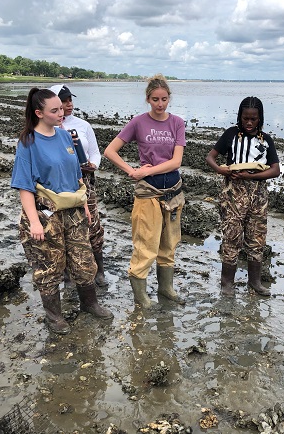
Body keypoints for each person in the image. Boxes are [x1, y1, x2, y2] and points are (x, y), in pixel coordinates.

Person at [11, 88, 113, 335]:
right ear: (39, 113)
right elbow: (24, 186)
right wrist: (34, 222)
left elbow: (77, 176)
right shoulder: (28, 143)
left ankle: (90, 303)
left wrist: (86, 207)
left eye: (61, 108)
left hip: (75, 212)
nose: (62, 113)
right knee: (50, 265)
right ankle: (54, 316)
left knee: (83, 258)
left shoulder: (65, 136)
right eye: (54, 110)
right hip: (47, 214)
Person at [103, 74, 186, 309]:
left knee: (169, 244)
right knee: (146, 245)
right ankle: (141, 297)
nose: (160, 104)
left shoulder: (177, 123)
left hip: (173, 190)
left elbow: (176, 161)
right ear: (147, 99)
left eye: (164, 99)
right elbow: (110, 151)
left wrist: (145, 171)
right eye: (155, 99)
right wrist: (132, 170)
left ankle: (166, 289)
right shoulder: (138, 122)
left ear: (169, 98)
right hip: (148, 192)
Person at [205, 96, 281, 297]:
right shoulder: (231, 134)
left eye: (253, 119)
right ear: (240, 117)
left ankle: (254, 281)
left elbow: (275, 170)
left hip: (258, 195)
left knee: (256, 237)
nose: (249, 122)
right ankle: (227, 282)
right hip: (233, 193)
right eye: (245, 118)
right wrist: (221, 170)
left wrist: (249, 176)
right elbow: (210, 157)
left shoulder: (266, 140)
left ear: (260, 118)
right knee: (232, 236)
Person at [49, 84, 108, 288]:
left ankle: (99, 270)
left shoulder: (82, 125)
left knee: (92, 225)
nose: (69, 104)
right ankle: (68, 276)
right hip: (59, 185)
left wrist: (94, 165)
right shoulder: (48, 128)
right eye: (64, 101)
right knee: (63, 227)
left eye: (70, 100)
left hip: (85, 182)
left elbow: (95, 152)